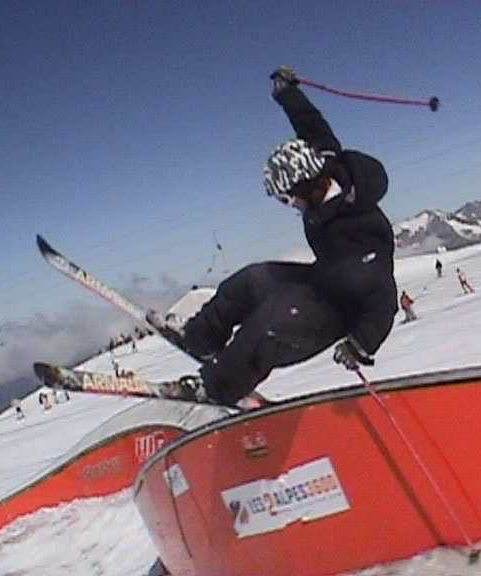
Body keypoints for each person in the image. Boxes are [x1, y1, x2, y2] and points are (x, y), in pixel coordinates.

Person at [165, 67, 398, 408]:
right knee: (252, 279)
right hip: (324, 280)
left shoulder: (361, 231)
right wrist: (286, 92)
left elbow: (383, 296)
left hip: (340, 310)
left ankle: (218, 387)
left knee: (272, 320)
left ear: (306, 188)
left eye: (288, 199)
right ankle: (201, 336)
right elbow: (311, 124)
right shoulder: (327, 163)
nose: (289, 207)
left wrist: (361, 343)